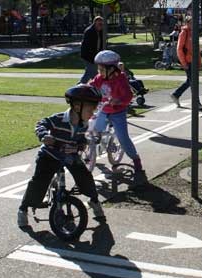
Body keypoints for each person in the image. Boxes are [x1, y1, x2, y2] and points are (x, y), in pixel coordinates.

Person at [17, 84, 106, 228]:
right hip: (50, 155)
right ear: (77, 107)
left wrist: (83, 143)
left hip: (70, 155)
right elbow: (41, 124)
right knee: (39, 182)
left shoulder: (83, 124)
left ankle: (94, 201)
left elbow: (81, 138)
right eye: (91, 109)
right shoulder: (59, 119)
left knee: (85, 178)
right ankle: (23, 209)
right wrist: (44, 135)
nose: (93, 113)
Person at [89, 50, 148, 186]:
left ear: (112, 69)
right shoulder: (100, 78)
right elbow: (91, 86)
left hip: (118, 112)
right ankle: (92, 153)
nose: (99, 71)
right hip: (103, 109)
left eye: (102, 69)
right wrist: (84, 89)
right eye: (98, 69)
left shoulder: (121, 80)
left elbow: (128, 96)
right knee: (93, 129)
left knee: (123, 138)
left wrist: (119, 101)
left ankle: (135, 159)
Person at [170, 16, 202, 111]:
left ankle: (176, 94)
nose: (193, 24)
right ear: (187, 23)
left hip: (194, 62)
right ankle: (196, 103)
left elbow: (196, 50)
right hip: (188, 62)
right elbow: (179, 49)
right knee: (193, 83)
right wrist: (183, 63)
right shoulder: (184, 33)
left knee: (190, 81)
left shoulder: (194, 33)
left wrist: (199, 62)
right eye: (191, 22)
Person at [79, 16, 105, 84]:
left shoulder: (100, 31)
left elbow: (101, 44)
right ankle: (98, 87)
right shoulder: (89, 31)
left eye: (102, 24)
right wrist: (94, 57)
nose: (101, 26)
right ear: (95, 23)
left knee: (88, 73)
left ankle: (79, 87)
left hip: (95, 56)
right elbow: (88, 46)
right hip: (88, 56)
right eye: (99, 24)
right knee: (93, 73)